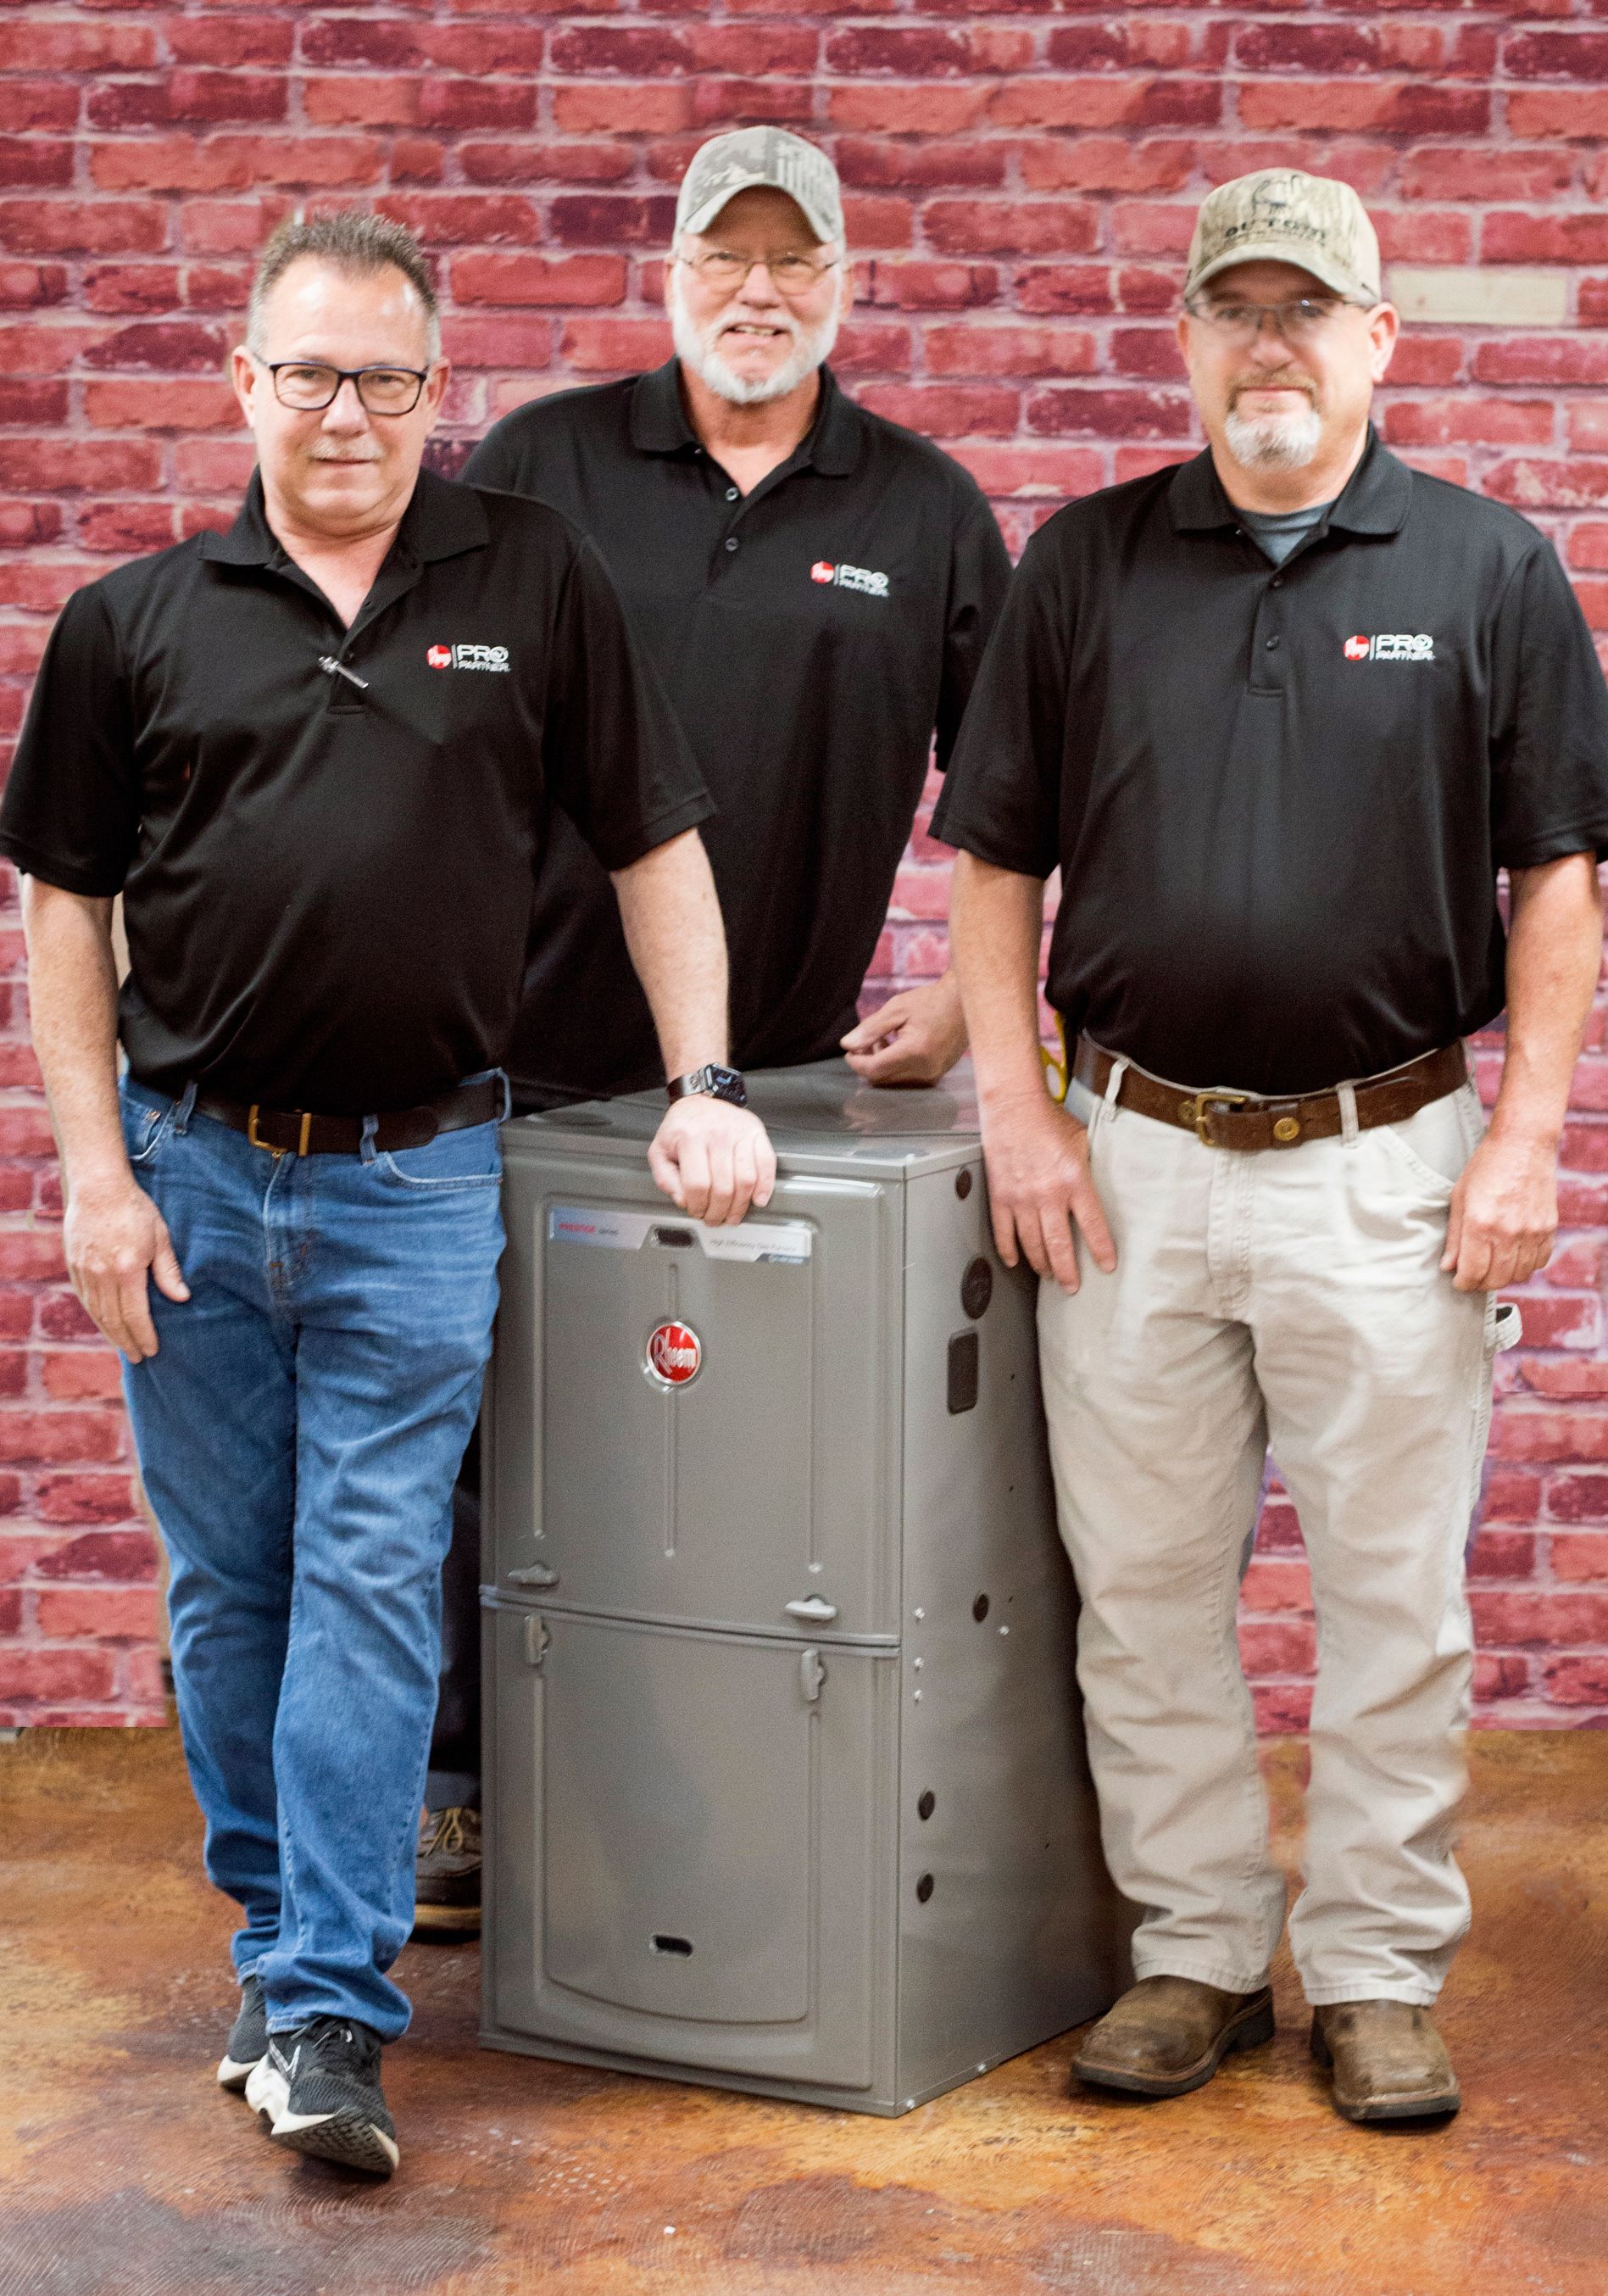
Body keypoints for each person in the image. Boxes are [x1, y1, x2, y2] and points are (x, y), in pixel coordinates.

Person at [3, 209, 775, 2179]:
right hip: (186, 1168)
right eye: (313, 372)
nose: (350, 412)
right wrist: (91, 1176)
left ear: (442, 392)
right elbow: (68, 917)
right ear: (243, 378)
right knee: (229, 1589)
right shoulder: (133, 623)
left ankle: (333, 2006)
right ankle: (281, 1951)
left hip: (424, 1177)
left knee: (364, 1574)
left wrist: (701, 1079)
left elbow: (655, 838)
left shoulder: (531, 574)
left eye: (392, 378)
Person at [936, 169, 1608, 2125]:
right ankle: (1197, 1950)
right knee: (1143, 1585)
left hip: (1389, 1166)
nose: (1268, 342)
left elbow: (1558, 885)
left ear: (1379, 339)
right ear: (1183, 340)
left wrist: (1528, 1139)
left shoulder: (1486, 569)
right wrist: (1019, 1112)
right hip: (1127, 1163)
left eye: (1306, 308)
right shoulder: (1082, 566)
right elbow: (999, 866)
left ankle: (1382, 1969)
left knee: (1394, 1600)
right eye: (1231, 306)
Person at [414, 125, 1013, 1934]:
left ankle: (716, 1761)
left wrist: (984, 998)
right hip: (511, 1053)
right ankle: (461, 1782)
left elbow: (1019, 792)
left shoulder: (924, 512)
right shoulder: (541, 465)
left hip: (773, 1092)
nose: (760, 288)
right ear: (668, 269)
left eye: (796, 257)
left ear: (847, 281)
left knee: (714, 1449)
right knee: (480, 1433)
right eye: (725, 254)